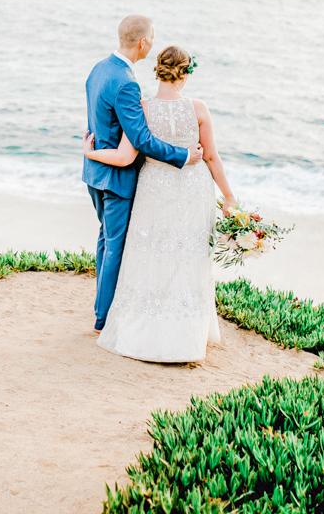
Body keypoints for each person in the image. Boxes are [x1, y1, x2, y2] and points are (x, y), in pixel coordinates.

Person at [84, 45, 238, 363]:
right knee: (188, 255)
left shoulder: (142, 108)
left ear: (159, 71)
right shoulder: (198, 108)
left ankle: (140, 326)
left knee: (149, 254)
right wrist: (229, 195)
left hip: (153, 190)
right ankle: (184, 332)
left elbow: (126, 155)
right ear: (185, 74)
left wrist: (91, 153)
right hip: (193, 191)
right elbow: (210, 156)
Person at [82, 15, 204, 335]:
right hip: (116, 180)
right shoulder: (127, 82)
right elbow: (142, 140)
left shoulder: (99, 69)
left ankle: (100, 309)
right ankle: (103, 321)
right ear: (143, 43)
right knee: (115, 248)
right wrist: (184, 155)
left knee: (105, 241)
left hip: (95, 173)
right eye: (152, 37)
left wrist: (92, 153)